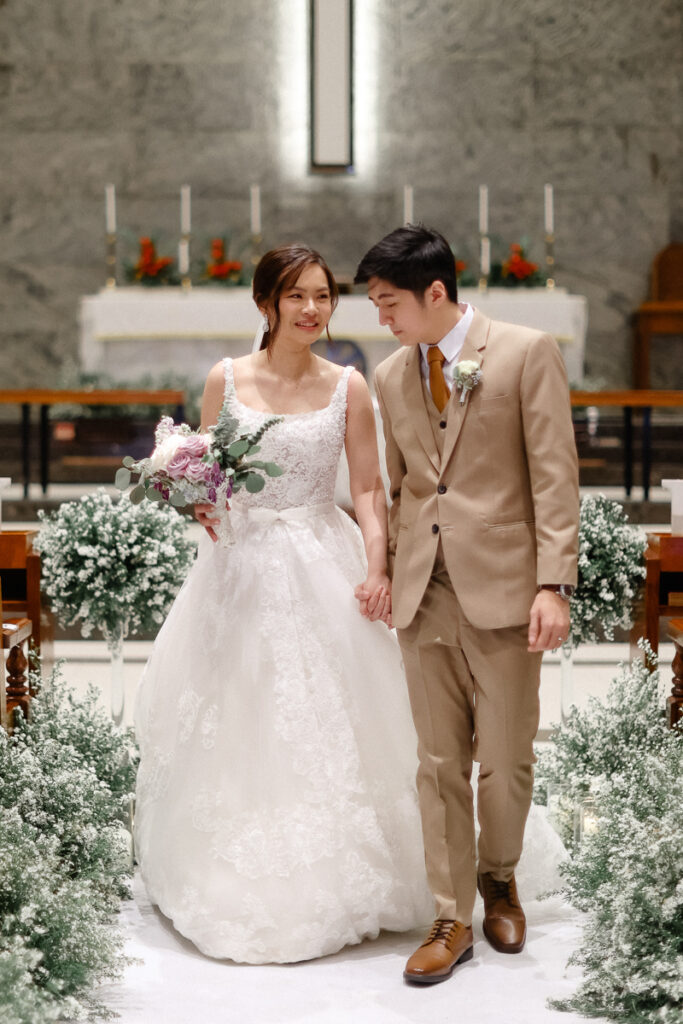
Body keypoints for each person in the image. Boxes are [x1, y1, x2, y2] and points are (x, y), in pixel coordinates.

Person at [133, 244, 433, 965]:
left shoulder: (348, 386)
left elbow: (368, 488)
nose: (311, 309)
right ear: (265, 303)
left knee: (338, 715)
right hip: (238, 567)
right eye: (296, 295)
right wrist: (197, 502)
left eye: (322, 296)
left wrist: (378, 567)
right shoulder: (226, 379)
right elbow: (206, 472)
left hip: (322, 559)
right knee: (240, 710)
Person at [354, 225, 579, 985]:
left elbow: (554, 475)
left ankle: (499, 879)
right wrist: (387, 571)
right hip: (424, 591)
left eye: (390, 303)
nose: (382, 318)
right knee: (437, 762)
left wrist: (553, 584)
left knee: (506, 758)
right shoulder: (391, 374)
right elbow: (399, 486)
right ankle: (450, 915)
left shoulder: (524, 352)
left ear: (435, 292)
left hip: (508, 587)